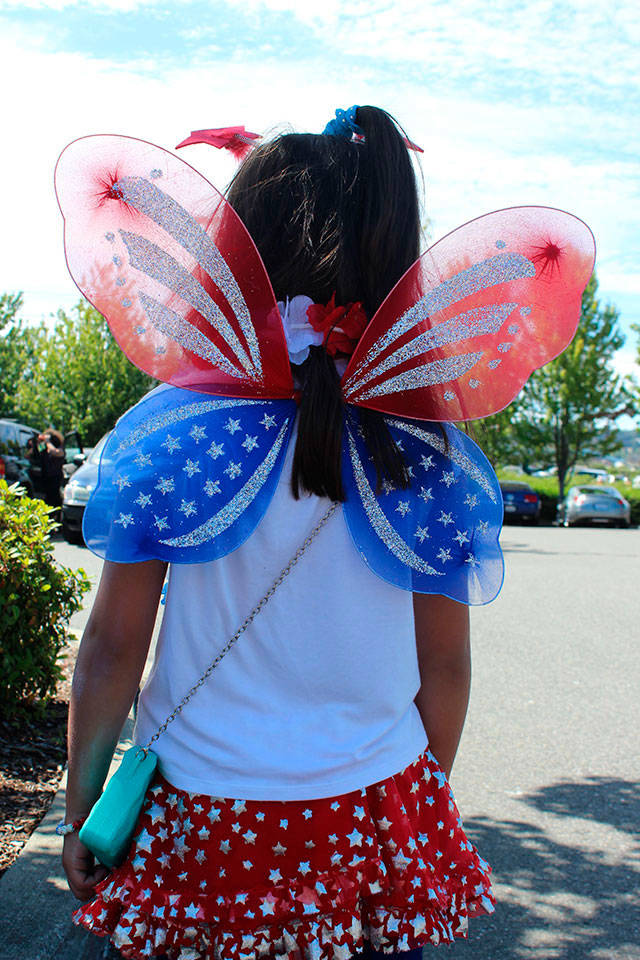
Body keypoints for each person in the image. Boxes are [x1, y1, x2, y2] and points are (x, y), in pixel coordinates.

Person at [61, 106, 497, 959]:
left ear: (234, 252)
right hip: (375, 810)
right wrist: (411, 806)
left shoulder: (176, 435)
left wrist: (83, 815)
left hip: (199, 819)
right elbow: (443, 668)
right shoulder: (428, 455)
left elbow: (114, 648)